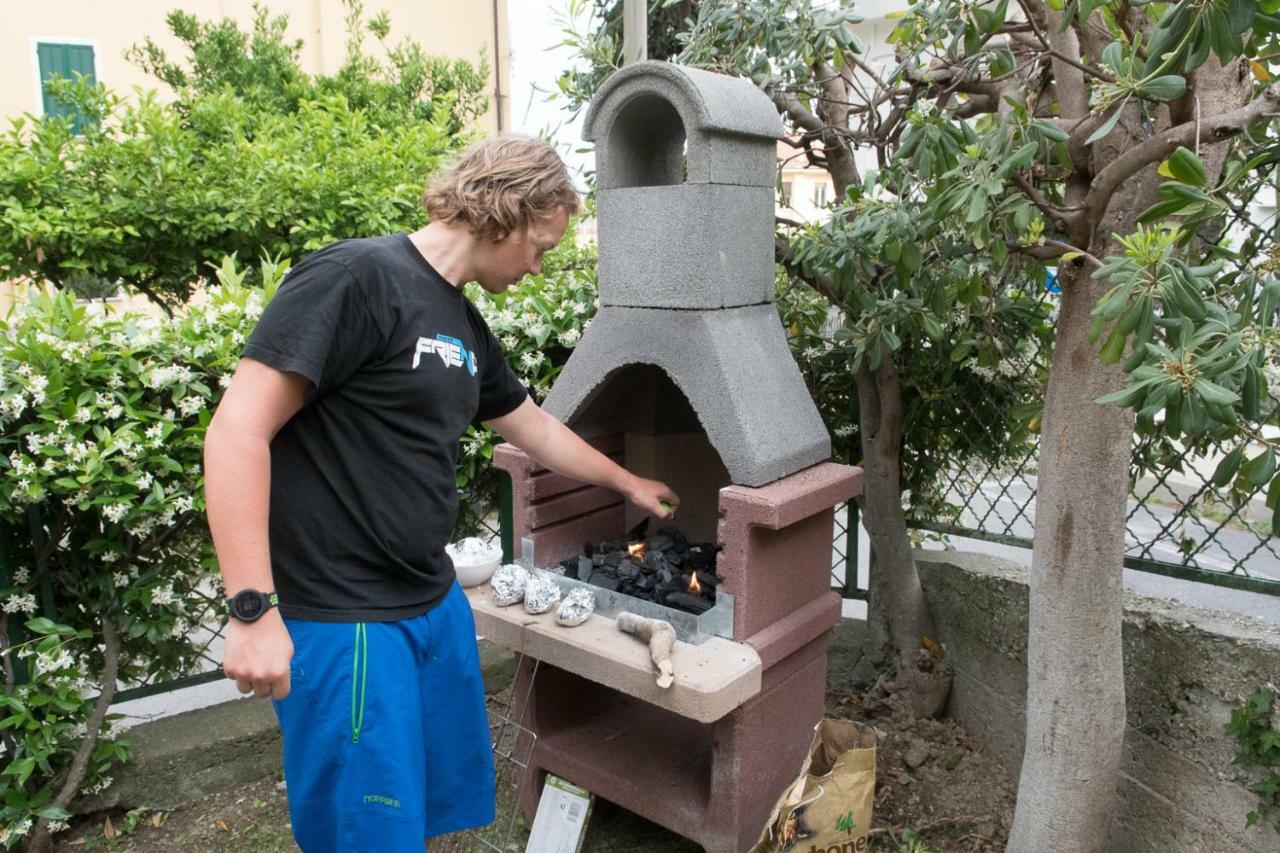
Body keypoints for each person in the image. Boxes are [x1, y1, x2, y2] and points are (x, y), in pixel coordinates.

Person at [203, 134, 679, 852]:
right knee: (362, 831)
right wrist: (251, 610)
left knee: (408, 818)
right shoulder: (355, 277)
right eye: (541, 246)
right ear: (512, 210)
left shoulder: (461, 320)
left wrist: (627, 480)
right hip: (347, 617)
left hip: (429, 604)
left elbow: (535, 427)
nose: (537, 266)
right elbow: (237, 432)